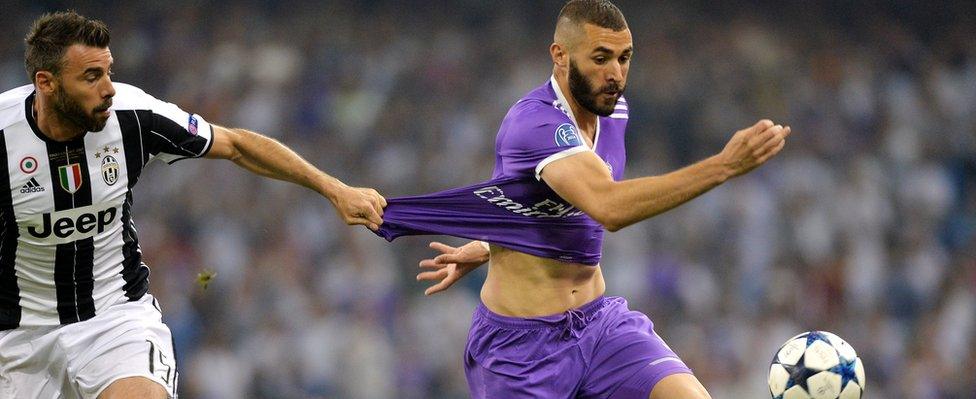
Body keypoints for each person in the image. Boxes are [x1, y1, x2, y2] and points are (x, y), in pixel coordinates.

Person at [374, 1, 790, 398]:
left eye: (624, 58)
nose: (616, 73)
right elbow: (608, 206)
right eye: (601, 57)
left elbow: (553, 203)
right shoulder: (533, 122)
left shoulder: (614, 111)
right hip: (520, 349)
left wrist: (489, 244)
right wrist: (724, 166)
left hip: (599, 325)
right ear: (560, 55)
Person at [0, 11, 386, 399]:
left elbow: (236, 145)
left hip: (113, 319)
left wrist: (334, 189)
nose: (108, 89)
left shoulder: (134, 116)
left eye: (108, 72)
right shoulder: (4, 135)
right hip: (18, 334)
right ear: (46, 83)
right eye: (91, 77)